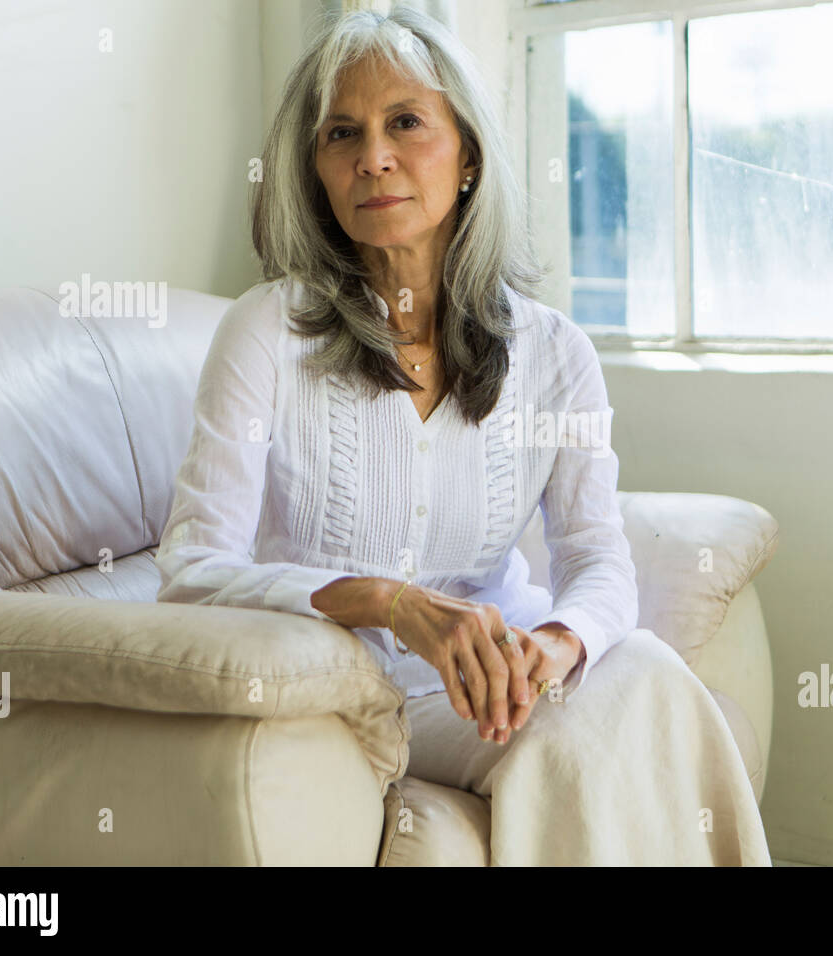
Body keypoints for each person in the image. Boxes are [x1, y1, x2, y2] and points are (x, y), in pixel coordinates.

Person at [156, 2, 771, 866]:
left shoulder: (556, 353)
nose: (374, 157)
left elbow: (598, 558)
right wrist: (390, 603)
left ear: (469, 154)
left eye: (405, 122)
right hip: (351, 685)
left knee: (649, 674)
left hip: (504, 674)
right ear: (317, 173)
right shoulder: (265, 333)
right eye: (342, 134)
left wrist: (557, 647)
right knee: (572, 740)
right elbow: (189, 573)